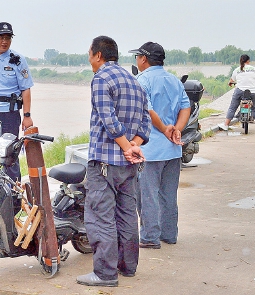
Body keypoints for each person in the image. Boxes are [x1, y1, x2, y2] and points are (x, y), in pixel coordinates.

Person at [76, 36, 151, 287]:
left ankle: (105, 274)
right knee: (127, 215)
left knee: (100, 217)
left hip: (105, 162)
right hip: (129, 165)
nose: (89, 58)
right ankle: (127, 266)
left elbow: (108, 120)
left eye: (90, 53)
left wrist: (125, 147)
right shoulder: (135, 81)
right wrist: (133, 147)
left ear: (98, 55)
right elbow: (145, 123)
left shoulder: (101, 78)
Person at [129, 42, 190, 249]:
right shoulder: (174, 80)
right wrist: (177, 130)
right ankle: (169, 234)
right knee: (168, 194)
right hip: (173, 149)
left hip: (150, 149)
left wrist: (165, 129)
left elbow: (147, 110)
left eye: (137, 56)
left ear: (143, 59)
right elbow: (185, 107)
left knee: (147, 195)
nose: (136, 60)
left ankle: (149, 237)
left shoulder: (141, 80)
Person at [0, 22, 33, 181]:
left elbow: (26, 89)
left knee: (10, 155)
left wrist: (27, 115)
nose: (4, 41)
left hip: (9, 114)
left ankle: (14, 195)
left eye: (7, 38)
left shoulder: (17, 60)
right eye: (0, 37)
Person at [218, 54, 255, 132]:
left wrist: (230, 83)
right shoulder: (253, 69)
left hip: (240, 91)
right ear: (248, 61)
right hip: (252, 91)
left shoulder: (237, 70)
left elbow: (232, 80)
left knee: (232, 108)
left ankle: (226, 125)